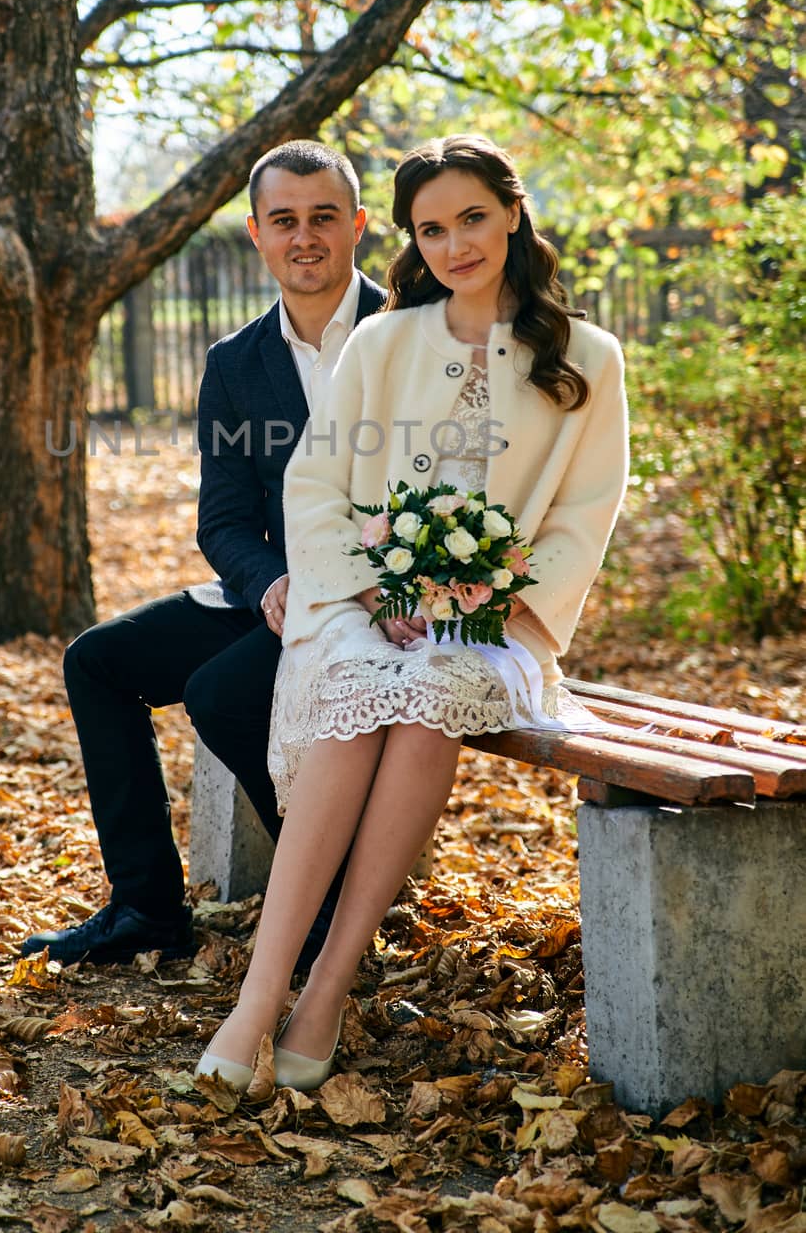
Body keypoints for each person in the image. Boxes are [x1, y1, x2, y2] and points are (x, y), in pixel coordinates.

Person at [197, 133, 629, 1090]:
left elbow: (583, 517)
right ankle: (261, 995)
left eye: (472, 217)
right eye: (431, 229)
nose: (454, 245)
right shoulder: (385, 338)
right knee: (361, 691)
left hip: (497, 623)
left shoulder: (588, 357)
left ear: (513, 213)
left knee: (431, 693)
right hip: (360, 598)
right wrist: (370, 588)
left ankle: (328, 989)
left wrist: (489, 597)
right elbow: (315, 487)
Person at [22, 140, 385, 967]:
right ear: (255, 234)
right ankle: (147, 909)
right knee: (99, 662)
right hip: (281, 595)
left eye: (324, 218)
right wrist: (269, 584)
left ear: (358, 225)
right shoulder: (232, 364)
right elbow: (221, 521)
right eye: (284, 220)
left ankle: (330, 904)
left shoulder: (406, 333)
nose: (305, 238)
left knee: (218, 693)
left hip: (381, 604)